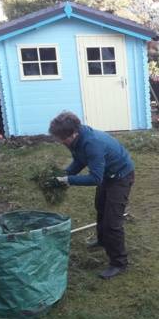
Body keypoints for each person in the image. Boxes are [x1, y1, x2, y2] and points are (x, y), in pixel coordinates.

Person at [47, 111, 135, 279]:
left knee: (112, 222)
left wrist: (66, 180)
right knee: (100, 208)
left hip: (120, 176)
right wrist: (65, 173)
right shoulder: (77, 141)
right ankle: (103, 241)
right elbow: (80, 161)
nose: (60, 142)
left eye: (62, 138)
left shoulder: (93, 142)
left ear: (74, 132)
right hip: (106, 175)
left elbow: (95, 178)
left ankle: (119, 262)